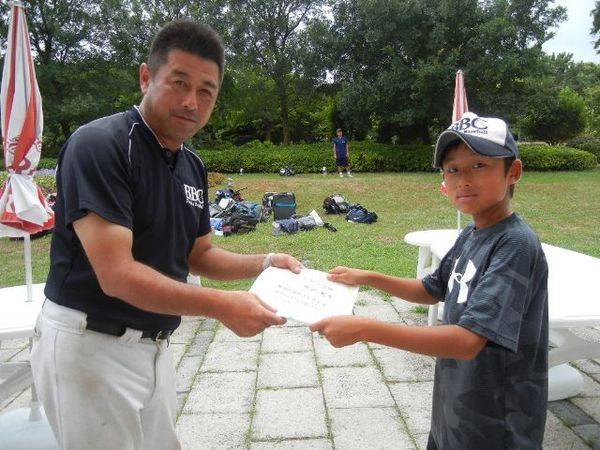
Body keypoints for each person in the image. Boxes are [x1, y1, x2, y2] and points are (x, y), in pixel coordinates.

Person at [30, 21, 301, 450]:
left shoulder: (191, 165)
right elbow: (117, 274)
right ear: (146, 77)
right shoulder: (100, 145)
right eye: (179, 83)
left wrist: (266, 263)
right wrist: (222, 306)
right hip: (90, 346)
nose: (192, 101)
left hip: (155, 348)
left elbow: (200, 254)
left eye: (206, 91)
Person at [312, 112, 549, 449]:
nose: (464, 179)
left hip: (497, 423)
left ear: (513, 172)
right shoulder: (473, 232)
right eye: (453, 169)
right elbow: (431, 289)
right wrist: (367, 277)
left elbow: (467, 341)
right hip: (456, 407)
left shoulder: (515, 244)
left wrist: (365, 329)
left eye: (479, 165)